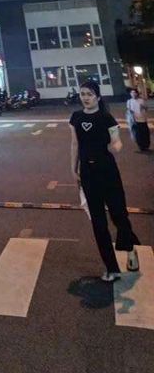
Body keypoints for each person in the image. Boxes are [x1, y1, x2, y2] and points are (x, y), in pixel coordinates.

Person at [70, 79, 140, 282]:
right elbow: (74, 144)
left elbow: (116, 141)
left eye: (89, 94)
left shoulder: (106, 118)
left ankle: (131, 250)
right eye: (83, 94)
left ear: (98, 97)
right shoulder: (76, 118)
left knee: (119, 215)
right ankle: (112, 268)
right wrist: (73, 169)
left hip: (108, 172)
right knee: (98, 223)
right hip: (88, 174)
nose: (85, 98)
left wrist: (116, 146)